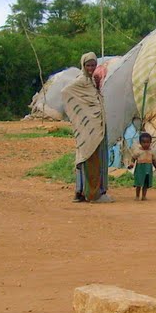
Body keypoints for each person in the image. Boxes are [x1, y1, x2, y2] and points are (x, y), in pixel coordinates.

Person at [62, 52, 111, 203]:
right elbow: (66, 92)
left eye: (93, 65)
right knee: (90, 158)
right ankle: (93, 193)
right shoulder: (81, 81)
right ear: (83, 66)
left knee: (90, 157)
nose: (91, 68)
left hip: (96, 126)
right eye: (88, 65)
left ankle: (82, 191)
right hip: (89, 128)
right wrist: (83, 116)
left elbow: (96, 100)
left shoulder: (92, 81)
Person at [132, 132, 156, 201]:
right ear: (140, 143)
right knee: (139, 183)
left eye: (148, 142)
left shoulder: (151, 151)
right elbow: (133, 158)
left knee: (146, 183)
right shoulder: (138, 151)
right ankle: (137, 196)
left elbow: (153, 161)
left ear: (150, 142)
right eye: (144, 142)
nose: (146, 144)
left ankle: (144, 196)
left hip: (148, 169)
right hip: (140, 169)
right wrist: (132, 164)